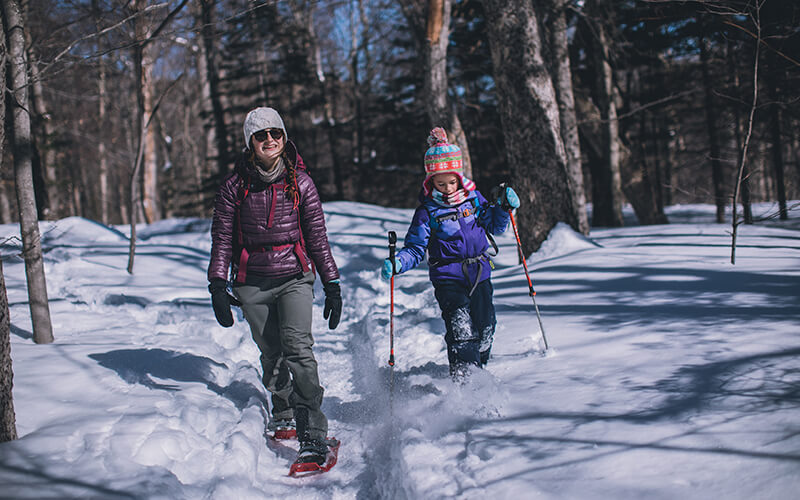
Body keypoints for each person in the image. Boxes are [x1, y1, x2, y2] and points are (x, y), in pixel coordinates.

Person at [207, 106, 342, 466]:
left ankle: (313, 434)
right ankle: (281, 404)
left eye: (276, 134)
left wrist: (332, 283)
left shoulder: (302, 183)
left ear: (284, 138)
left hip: (295, 276)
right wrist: (217, 284)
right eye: (261, 135)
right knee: (271, 353)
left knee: (298, 348)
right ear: (250, 142)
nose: (270, 140)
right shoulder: (234, 188)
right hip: (252, 280)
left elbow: (317, 238)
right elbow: (221, 239)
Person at [381, 127, 519, 379]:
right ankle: (466, 381)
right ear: (430, 181)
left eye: (451, 181)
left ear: (459, 177)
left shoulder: (474, 200)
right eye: (440, 183)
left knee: (486, 326)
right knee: (461, 329)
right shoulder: (427, 212)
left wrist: (503, 208)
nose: (446, 188)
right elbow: (415, 248)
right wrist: (398, 262)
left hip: (480, 272)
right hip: (448, 277)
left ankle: (480, 364)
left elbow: (496, 227)